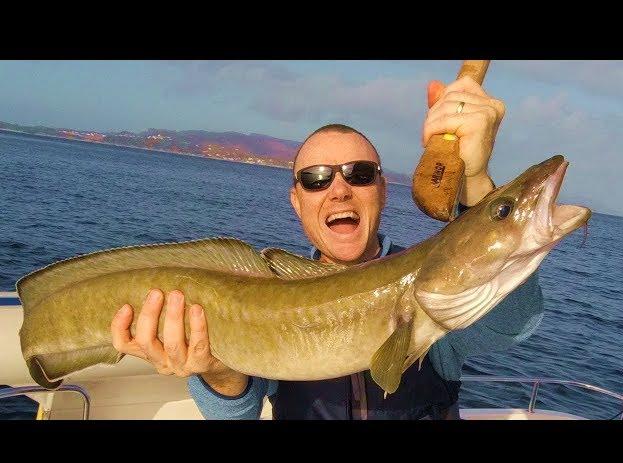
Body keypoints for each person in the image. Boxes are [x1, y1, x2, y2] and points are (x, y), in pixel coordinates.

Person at [110, 77, 544, 419]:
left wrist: (476, 185)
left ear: (381, 190)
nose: (339, 189)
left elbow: (514, 321)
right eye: (316, 178)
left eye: (358, 173)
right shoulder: (263, 290)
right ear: (297, 202)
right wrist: (217, 370)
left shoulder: (436, 284)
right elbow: (235, 416)